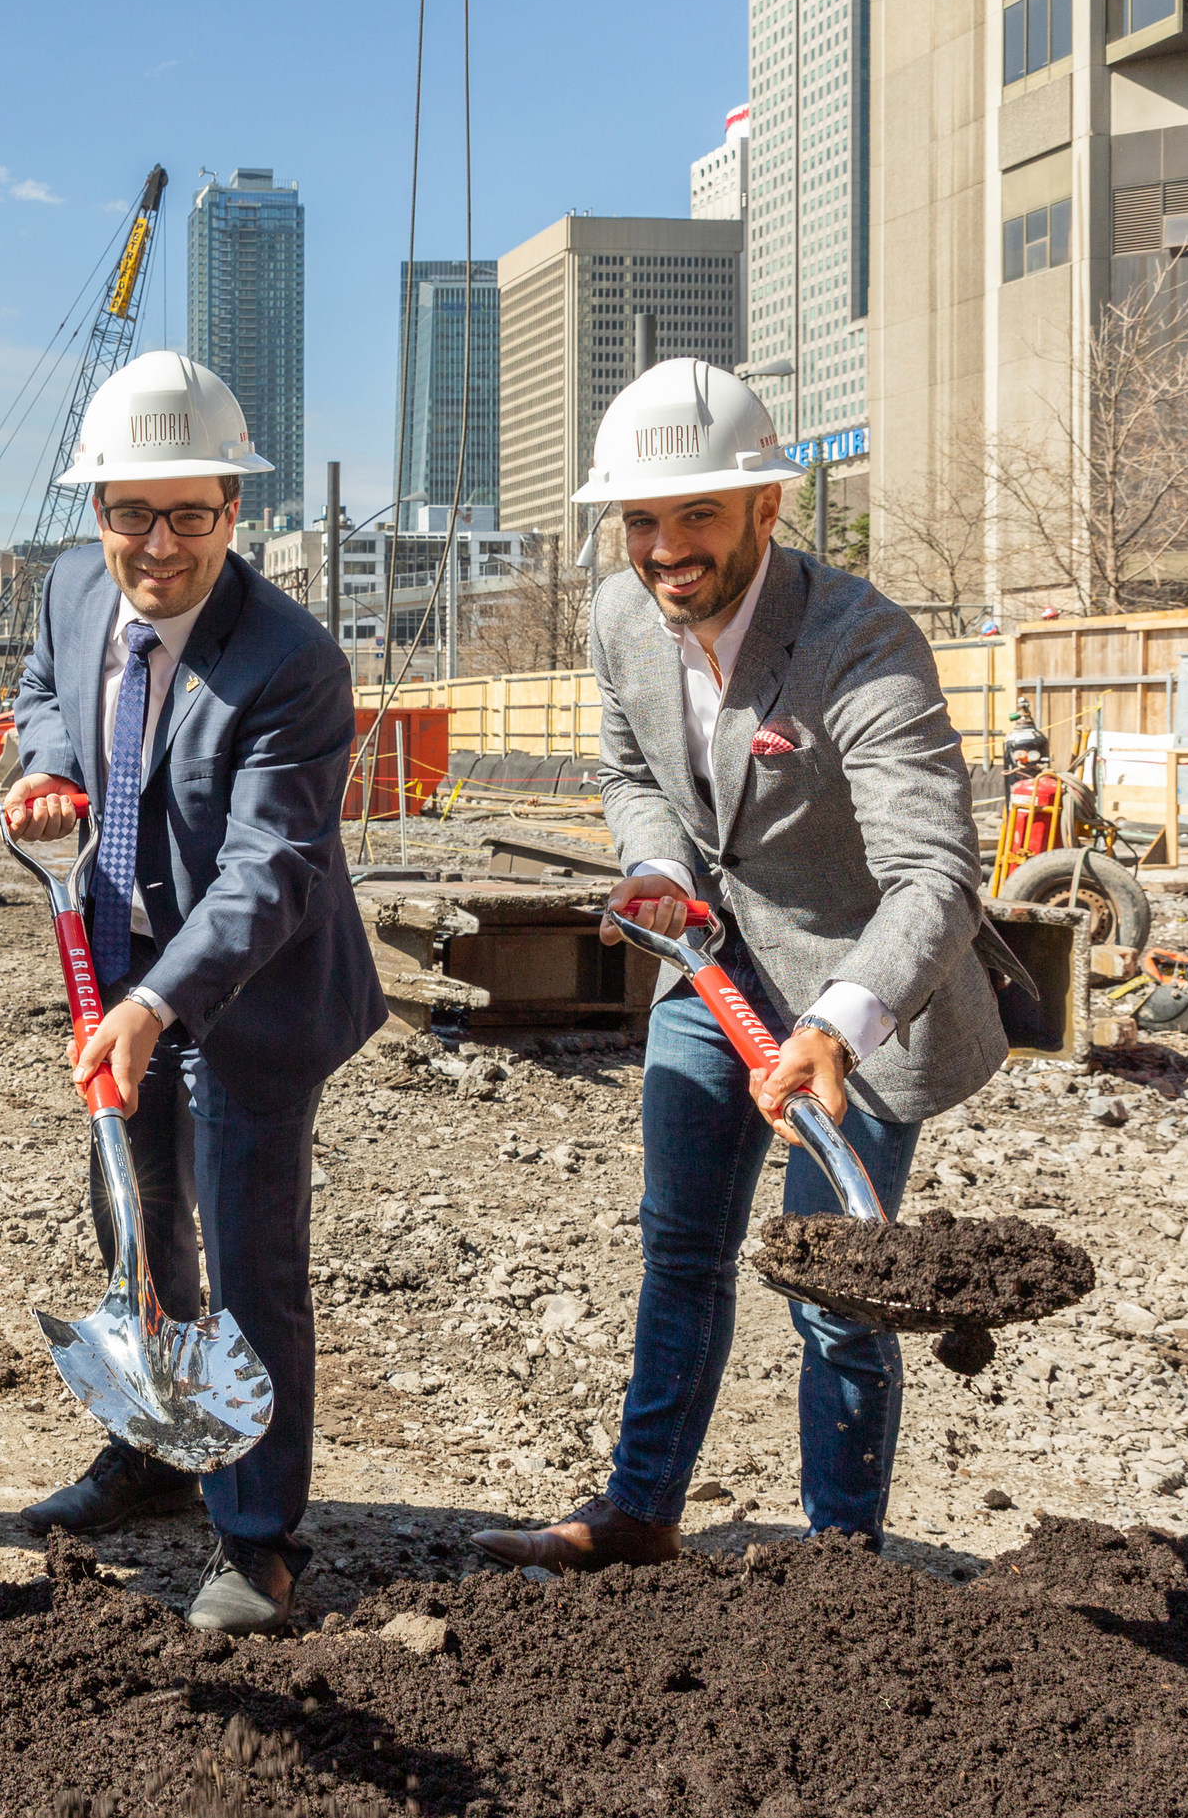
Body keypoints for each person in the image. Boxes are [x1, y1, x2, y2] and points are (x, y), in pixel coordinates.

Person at [473, 358, 1015, 1573]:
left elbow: (933, 875)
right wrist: (656, 863)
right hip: (708, 975)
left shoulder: (860, 646)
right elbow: (626, 771)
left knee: (837, 1288)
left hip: (856, 997)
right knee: (681, 1250)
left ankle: (839, 1559)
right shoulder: (622, 617)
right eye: (643, 521)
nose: (666, 549)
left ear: (768, 507)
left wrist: (837, 1022)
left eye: (698, 516)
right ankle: (639, 1513)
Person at [3, 350, 387, 1635]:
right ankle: (153, 1455)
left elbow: (270, 870)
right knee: (137, 1219)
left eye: (192, 516)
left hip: (246, 999)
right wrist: (49, 768)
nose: (158, 545)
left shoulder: (290, 663)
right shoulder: (66, 589)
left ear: (237, 510)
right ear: (94, 506)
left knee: (250, 1258)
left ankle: (261, 1535)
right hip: (109, 965)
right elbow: (45, 698)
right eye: (130, 513)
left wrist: (161, 1003)